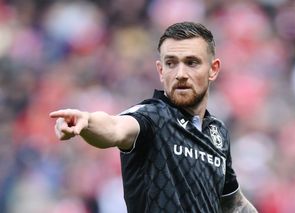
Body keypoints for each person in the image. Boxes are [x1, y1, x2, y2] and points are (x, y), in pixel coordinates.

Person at [50, 22, 258, 212]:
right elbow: (115, 127)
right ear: (160, 70)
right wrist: (87, 122)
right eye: (171, 63)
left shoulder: (217, 132)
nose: (180, 74)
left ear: (213, 70)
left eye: (192, 63)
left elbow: (233, 202)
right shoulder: (152, 117)